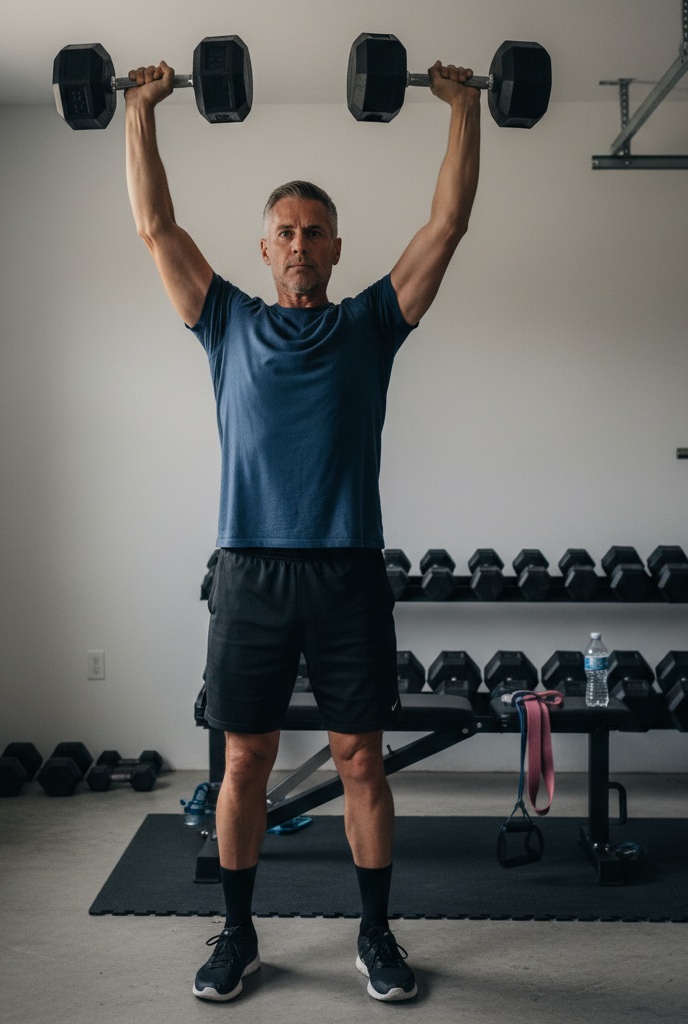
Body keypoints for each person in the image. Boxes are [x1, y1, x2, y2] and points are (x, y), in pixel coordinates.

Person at [124, 55, 480, 1003]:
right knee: (245, 760)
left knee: (361, 759)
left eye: (313, 231)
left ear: (334, 247)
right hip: (249, 571)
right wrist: (139, 111)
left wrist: (465, 110)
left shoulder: (371, 324)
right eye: (284, 231)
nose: (298, 244)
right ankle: (238, 934)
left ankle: (376, 933)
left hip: (347, 570)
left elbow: (446, 225)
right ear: (265, 246)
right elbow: (155, 224)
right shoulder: (225, 323)